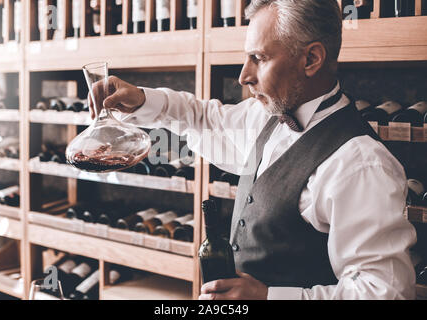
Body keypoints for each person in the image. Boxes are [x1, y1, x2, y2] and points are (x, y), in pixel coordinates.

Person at [88, 0, 417, 300]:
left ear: (311, 59)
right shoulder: (265, 115)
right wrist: (143, 100)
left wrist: (269, 297)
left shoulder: (361, 164)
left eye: (258, 58)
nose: (244, 76)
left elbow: (383, 291)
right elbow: (204, 118)